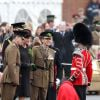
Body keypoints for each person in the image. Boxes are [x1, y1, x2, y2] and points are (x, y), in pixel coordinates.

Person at [69, 23, 93, 100]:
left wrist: (72, 79)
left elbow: (78, 68)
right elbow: (90, 70)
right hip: (84, 81)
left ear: (79, 41)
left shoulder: (78, 53)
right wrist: (88, 82)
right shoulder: (88, 54)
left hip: (77, 81)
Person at [30, 31, 55, 100]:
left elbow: (51, 67)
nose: (48, 41)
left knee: (43, 97)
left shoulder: (52, 52)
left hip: (46, 77)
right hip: (36, 76)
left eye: (50, 39)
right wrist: (31, 77)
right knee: (34, 97)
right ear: (42, 40)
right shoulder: (35, 49)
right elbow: (32, 63)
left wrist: (51, 80)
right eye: (47, 39)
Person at [1, 29, 24, 100]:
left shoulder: (12, 46)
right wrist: (14, 80)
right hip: (10, 79)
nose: (22, 40)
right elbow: (11, 65)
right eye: (21, 38)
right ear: (16, 38)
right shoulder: (13, 47)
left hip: (8, 77)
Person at [15, 29, 32, 100]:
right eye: (26, 38)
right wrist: (27, 65)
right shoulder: (18, 48)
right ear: (22, 38)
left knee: (24, 95)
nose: (28, 39)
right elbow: (17, 62)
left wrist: (31, 65)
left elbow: (30, 59)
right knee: (19, 94)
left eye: (29, 38)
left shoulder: (28, 48)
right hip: (20, 74)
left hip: (26, 74)